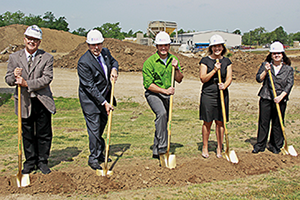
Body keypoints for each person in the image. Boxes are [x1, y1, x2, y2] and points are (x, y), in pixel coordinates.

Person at [5, 25, 56, 174]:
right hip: (24, 101)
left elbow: (47, 78)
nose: (31, 41)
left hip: (41, 101)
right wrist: (14, 77)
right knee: (27, 134)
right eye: (29, 38)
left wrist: (27, 83)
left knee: (44, 134)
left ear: (39, 42)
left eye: (35, 39)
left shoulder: (47, 57)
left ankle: (42, 161)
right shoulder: (15, 57)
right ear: (24, 39)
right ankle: (30, 161)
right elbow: (7, 79)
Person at [77, 29, 118, 170]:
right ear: (88, 45)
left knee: (101, 126)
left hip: (105, 97)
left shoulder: (105, 53)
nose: (96, 48)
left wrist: (114, 69)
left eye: (99, 44)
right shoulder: (84, 62)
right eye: (93, 45)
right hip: (91, 101)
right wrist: (104, 103)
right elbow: (90, 87)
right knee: (94, 129)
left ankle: (100, 152)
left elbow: (114, 62)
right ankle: (93, 158)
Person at [142, 31, 184, 159]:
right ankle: (162, 147)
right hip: (153, 94)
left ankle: (156, 149)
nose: (163, 48)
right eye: (161, 45)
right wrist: (165, 91)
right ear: (156, 47)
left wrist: (176, 69)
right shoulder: (149, 62)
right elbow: (148, 85)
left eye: (166, 45)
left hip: (167, 95)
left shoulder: (173, 60)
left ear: (169, 46)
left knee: (162, 121)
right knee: (162, 114)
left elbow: (179, 79)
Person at [252, 41, 294, 154]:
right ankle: (260, 145)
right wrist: (265, 71)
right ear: (271, 55)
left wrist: (281, 97)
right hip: (266, 97)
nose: (276, 55)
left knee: (277, 122)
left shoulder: (288, 69)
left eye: (279, 53)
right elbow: (258, 79)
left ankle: (275, 145)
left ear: (282, 55)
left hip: (280, 99)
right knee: (263, 122)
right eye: (274, 53)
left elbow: (289, 85)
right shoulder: (266, 65)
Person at [199, 34, 232, 158]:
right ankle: (205, 146)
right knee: (207, 121)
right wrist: (213, 70)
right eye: (214, 46)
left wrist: (225, 85)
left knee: (220, 122)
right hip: (208, 93)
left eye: (219, 46)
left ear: (223, 47)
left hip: (222, 93)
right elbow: (203, 78)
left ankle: (219, 147)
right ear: (211, 48)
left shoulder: (227, 61)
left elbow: (229, 77)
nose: (217, 48)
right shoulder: (205, 61)